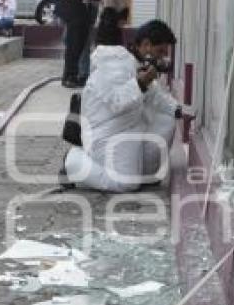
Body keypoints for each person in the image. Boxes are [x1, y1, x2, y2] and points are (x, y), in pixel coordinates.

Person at [62, 18, 195, 193]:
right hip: (106, 134)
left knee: (166, 120)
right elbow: (118, 102)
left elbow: (156, 97)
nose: (163, 58)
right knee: (125, 184)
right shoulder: (114, 66)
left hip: (129, 128)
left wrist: (179, 111)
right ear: (146, 45)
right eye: (160, 51)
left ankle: (144, 174)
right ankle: (73, 162)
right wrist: (141, 83)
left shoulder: (136, 65)